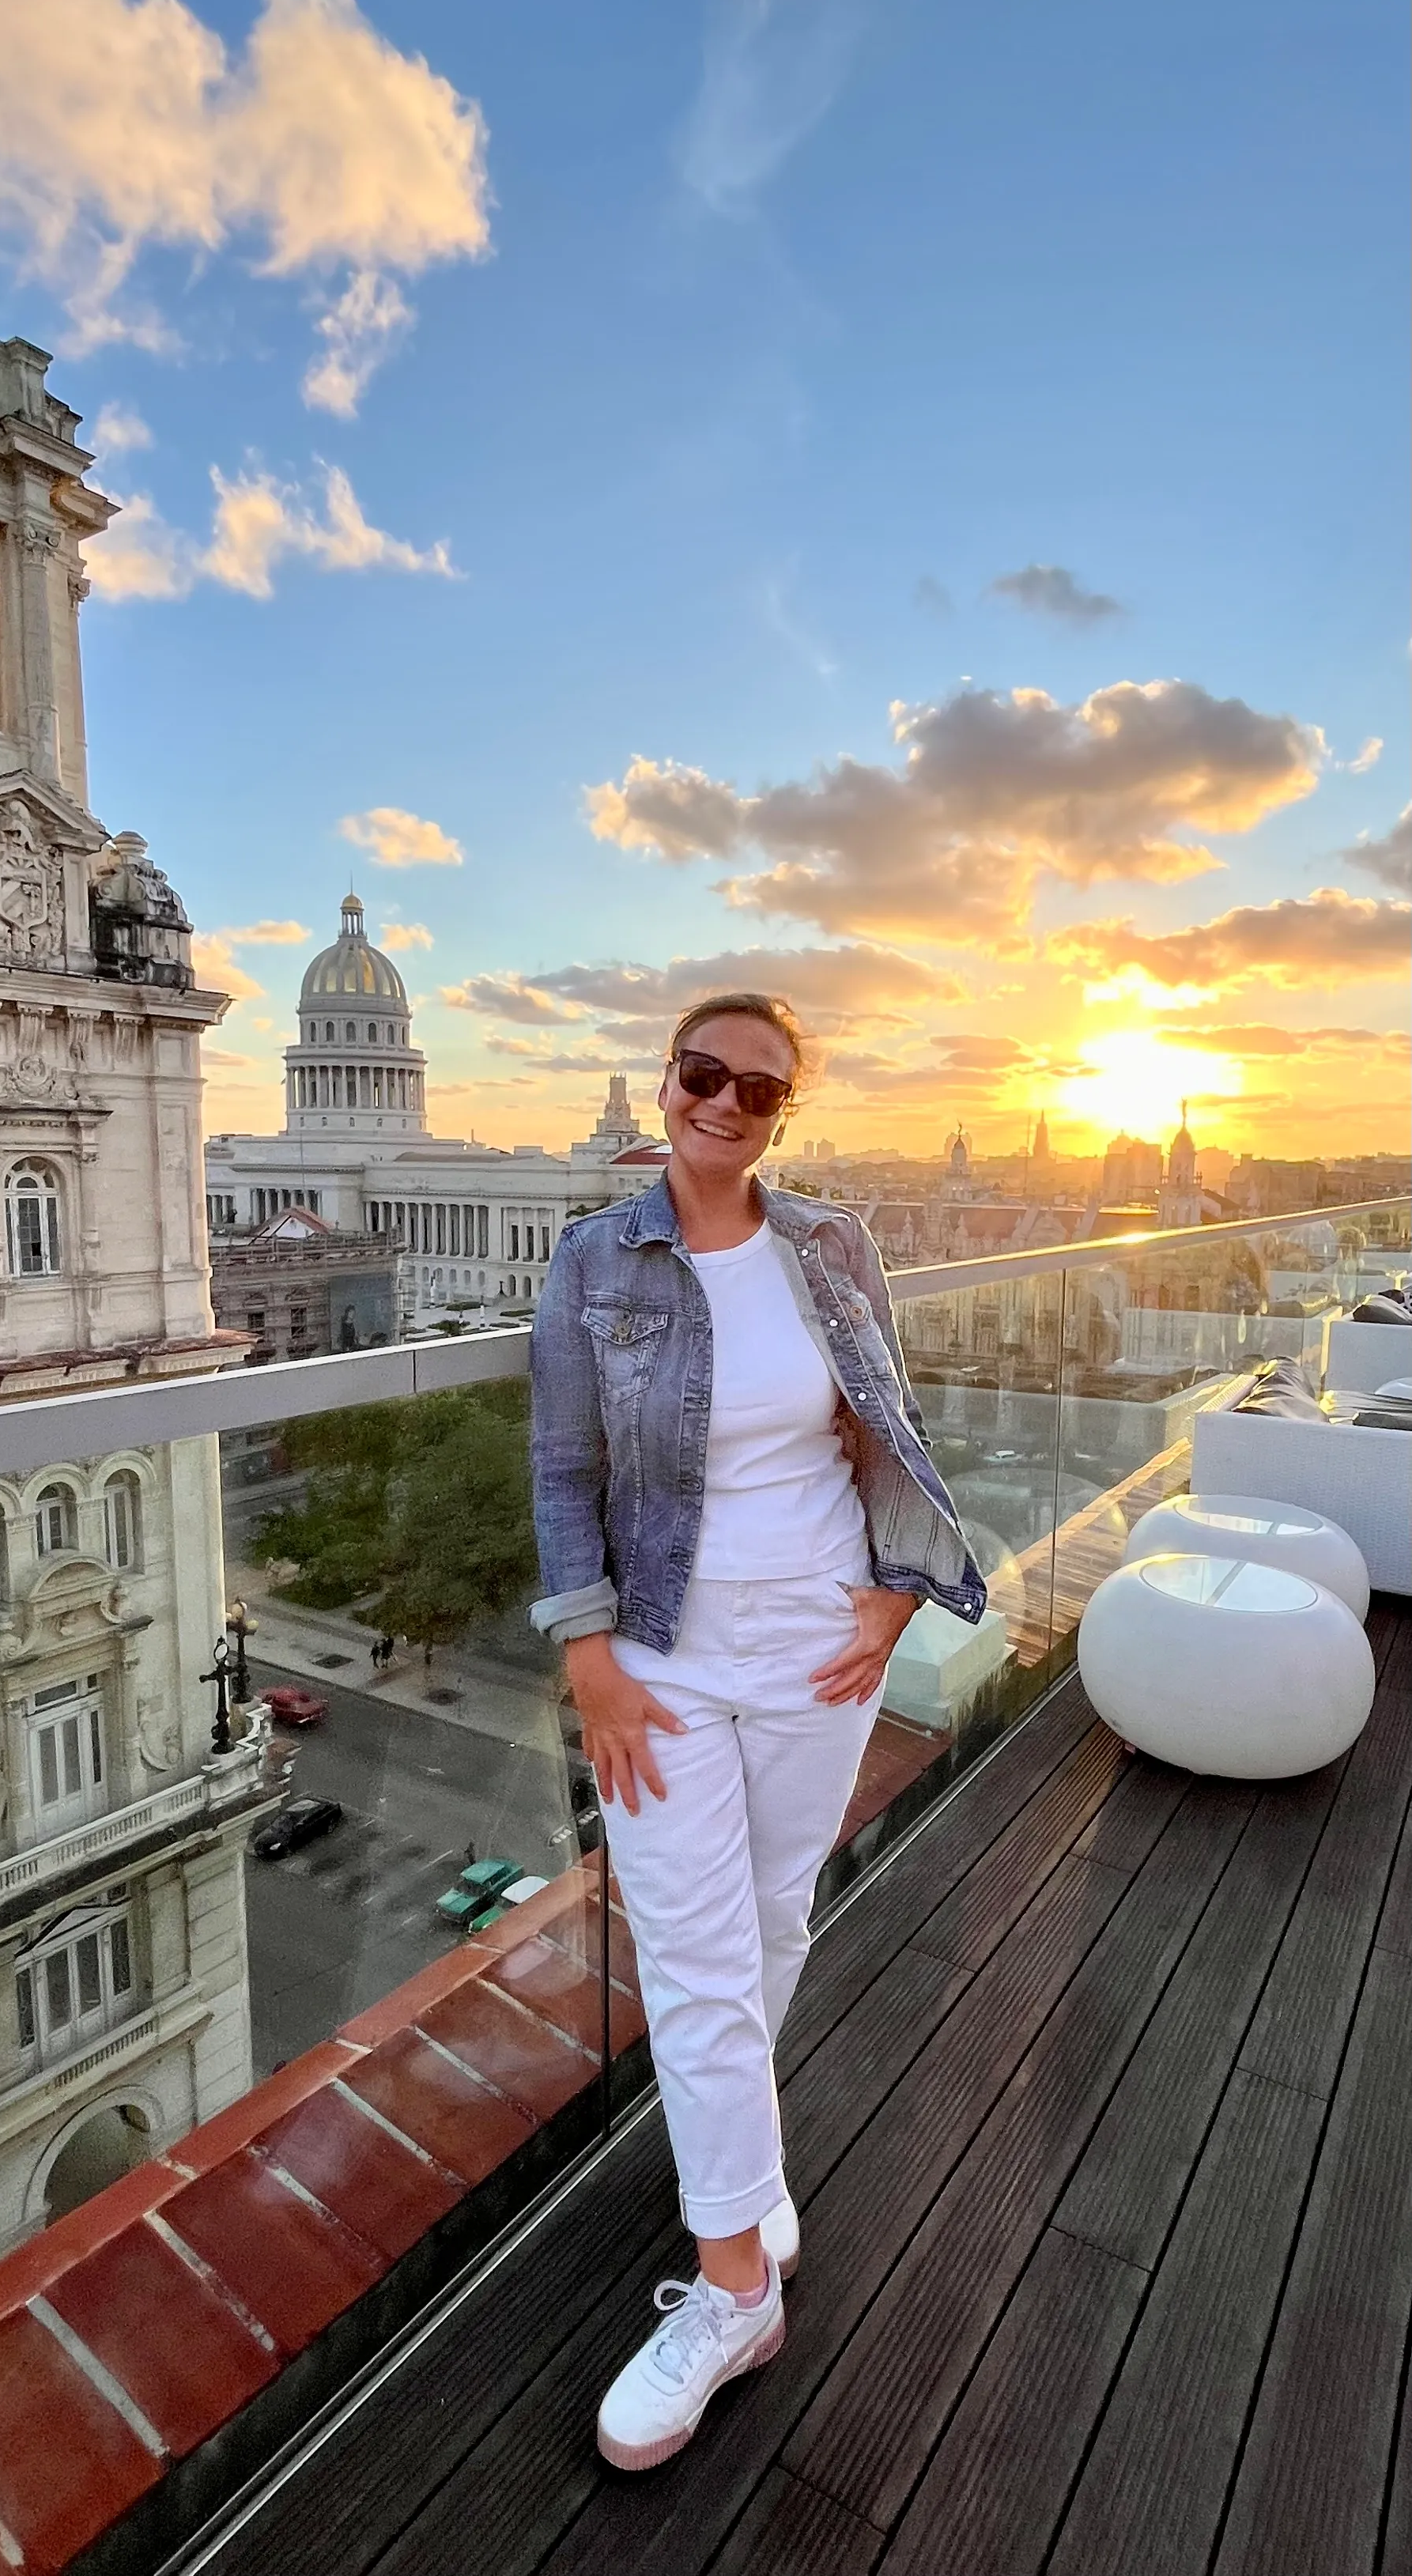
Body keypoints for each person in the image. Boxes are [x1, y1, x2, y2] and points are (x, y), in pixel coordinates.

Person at [529, 991, 985, 2471]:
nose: (726, 1101)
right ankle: (736, 2292)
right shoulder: (594, 1257)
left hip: (815, 1648)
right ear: (665, 1081)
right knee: (692, 1948)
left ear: (784, 1114)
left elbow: (882, 1426)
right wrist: (587, 1652)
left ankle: (744, 2174)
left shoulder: (829, 1246)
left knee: (775, 1918)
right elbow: (559, 1466)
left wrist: (890, 1600)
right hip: (660, 1658)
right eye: (704, 1073)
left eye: (759, 1089)